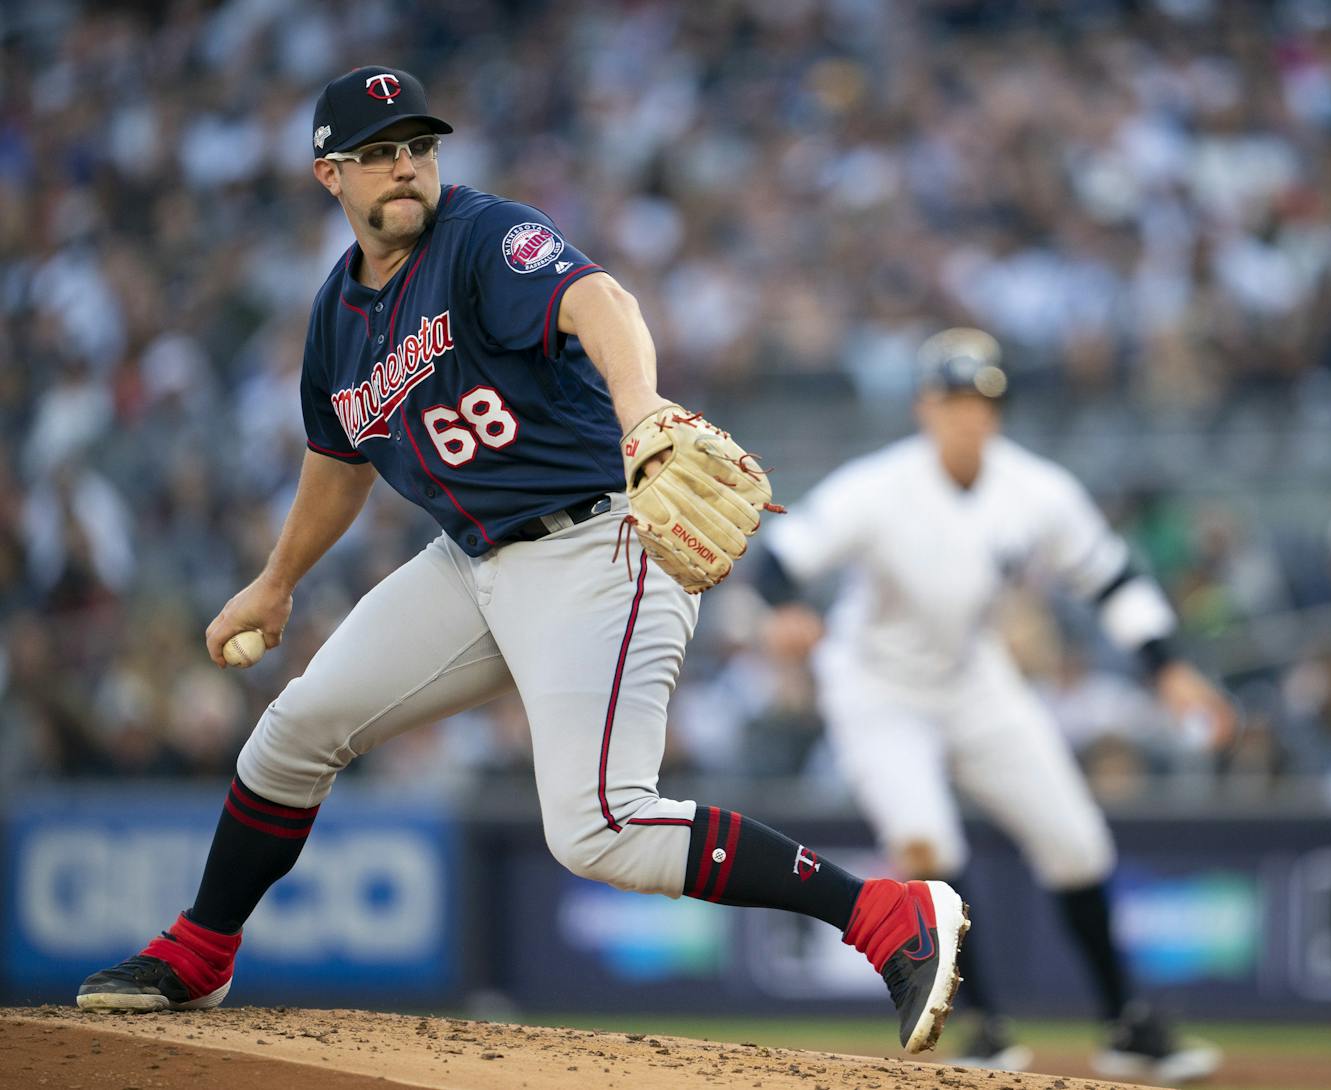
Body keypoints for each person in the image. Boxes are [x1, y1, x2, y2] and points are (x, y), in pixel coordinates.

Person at [73, 65, 970, 1055]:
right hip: (471, 564)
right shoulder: (337, 317)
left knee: (597, 827)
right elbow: (338, 461)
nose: (406, 167)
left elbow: (600, 301)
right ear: (331, 175)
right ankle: (201, 948)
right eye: (378, 153)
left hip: (596, 545)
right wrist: (278, 578)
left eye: (417, 145)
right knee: (293, 732)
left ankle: (882, 914)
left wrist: (642, 414)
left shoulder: (480, 235)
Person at [755, 328, 1232, 1084]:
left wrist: (1167, 667)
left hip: (974, 678)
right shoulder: (878, 487)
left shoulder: (1033, 488)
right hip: (877, 686)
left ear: (998, 409)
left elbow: (1110, 577)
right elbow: (782, 557)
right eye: (952, 397)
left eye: (981, 399)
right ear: (924, 405)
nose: (967, 414)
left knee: (1077, 841)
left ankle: (1127, 1024)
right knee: (925, 848)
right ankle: (982, 1025)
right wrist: (781, 608)